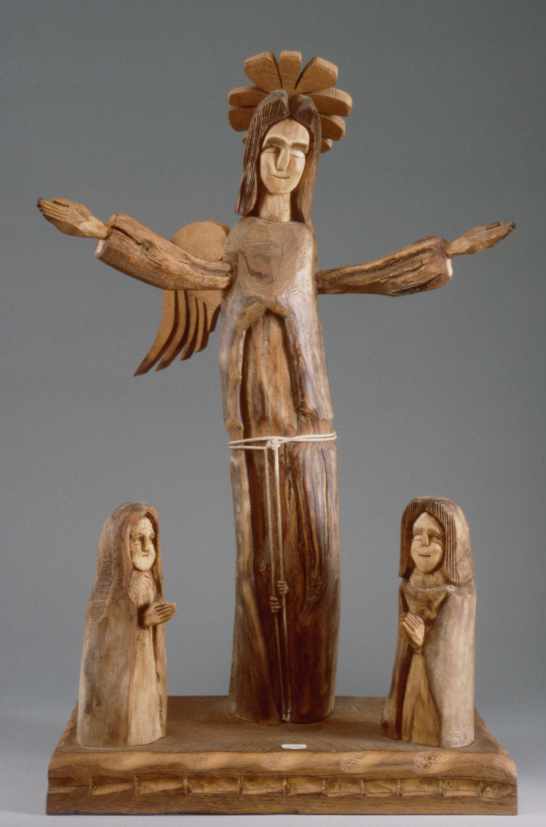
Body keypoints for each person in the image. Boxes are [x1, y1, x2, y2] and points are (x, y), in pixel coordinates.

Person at [38, 52, 511, 726]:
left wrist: (446, 254)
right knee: (261, 574)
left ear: (311, 161)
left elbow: (353, 279)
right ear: (253, 154)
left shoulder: (303, 240)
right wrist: (101, 230)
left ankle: (308, 702)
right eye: (273, 147)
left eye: (299, 150)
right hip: (254, 430)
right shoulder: (239, 239)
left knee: (315, 572)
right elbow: (184, 269)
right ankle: (263, 700)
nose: (285, 161)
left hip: (313, 429)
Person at [77, 503, 176, 747]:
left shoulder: (150, 581)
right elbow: (101, 633)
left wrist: (154, 620)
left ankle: (149, 727)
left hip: (146, 664)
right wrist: (141, 620)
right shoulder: (109, 590)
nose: (147, 547)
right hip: (124, 676)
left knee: (146, 699)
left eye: (151, 539)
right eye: (137, 539)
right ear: (119, 543)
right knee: (130, 708)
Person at [382, 497, 476, 749]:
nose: (423, 543)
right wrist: (411, 642)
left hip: (438, 683)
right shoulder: (407, 585)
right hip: (411, 672)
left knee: (432, 720)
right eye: (416, 535)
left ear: (453, 544)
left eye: (434, 536)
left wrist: (424, 642)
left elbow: (454, 651)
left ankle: (443, 732)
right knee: (408, 711)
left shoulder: (458, 593)